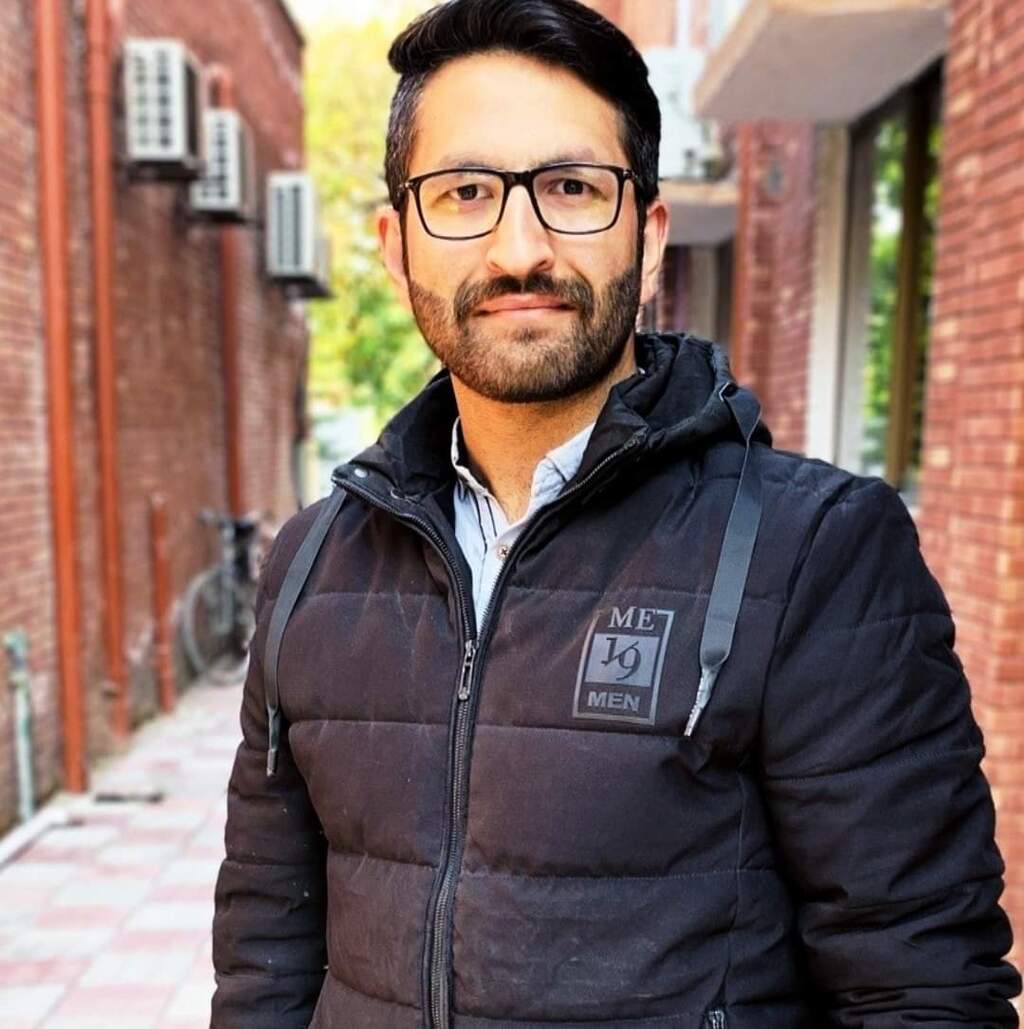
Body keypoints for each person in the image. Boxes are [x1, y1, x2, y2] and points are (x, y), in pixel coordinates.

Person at [210, 1, 1021, 1026]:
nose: (519, 248)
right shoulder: (312, 565)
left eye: (572, 188)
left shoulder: (815, 552)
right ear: (396, 243)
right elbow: (265, 960)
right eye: (463, 193)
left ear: (649, 232)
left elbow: (921, 987)